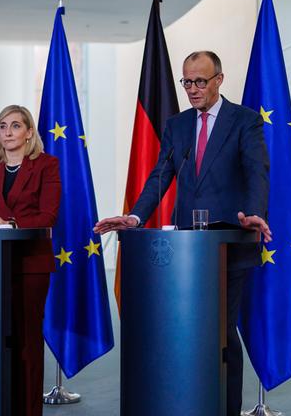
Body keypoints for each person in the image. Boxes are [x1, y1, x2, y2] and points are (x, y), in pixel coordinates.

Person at [94, 51, 271, 416]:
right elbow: (161, 175)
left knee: (222, 329)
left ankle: (226, 408)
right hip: (186, 250)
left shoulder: (245, 121)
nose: (192, 89)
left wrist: (253, 214)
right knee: (188, 327)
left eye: (200, 81)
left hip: (228, 244)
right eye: (186, 82)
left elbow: (257, 172)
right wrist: (135, 217)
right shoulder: (177, 125)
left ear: (219, 79)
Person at [0, 104, 61, 416]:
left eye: (15, 126)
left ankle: (29, 409)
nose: (7, 132)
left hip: (31, 265)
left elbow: (48, 215)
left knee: (26, 339)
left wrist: (6, 222)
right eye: (2, 126)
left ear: (29, 133)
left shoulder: (47, 166)